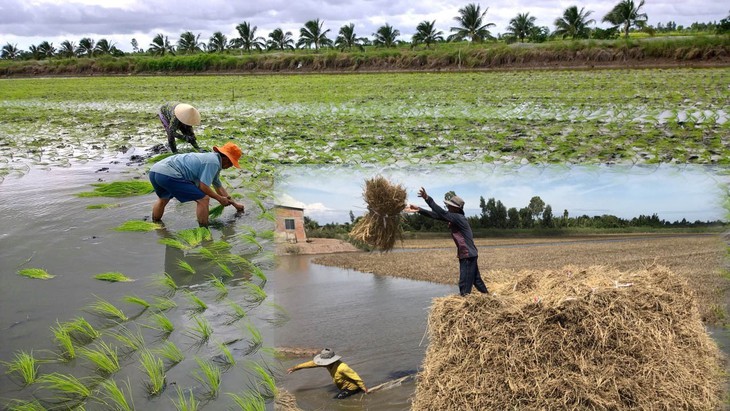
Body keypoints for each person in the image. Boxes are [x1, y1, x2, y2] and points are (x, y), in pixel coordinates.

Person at [405, 187, 489, 296]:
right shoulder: (455, 218)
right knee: (476, 280)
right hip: (470, 254)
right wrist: (419, 210)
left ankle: (464, 302)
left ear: (456, 208)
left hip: (467, 255)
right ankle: (489, 298)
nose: (448, 206)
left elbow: (441, 212)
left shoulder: (458, 217)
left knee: (464, 283)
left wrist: (427, 198)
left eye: (450, 205)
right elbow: (436, 215)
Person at [149, 141, 245, 227]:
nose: (230, 166)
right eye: (231, 163)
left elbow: (218, 187)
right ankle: (204, 229)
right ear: (226, 159)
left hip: (155, 171)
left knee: (163, 200)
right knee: (203, 199)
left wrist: (235, 205)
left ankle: (156, 225)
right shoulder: (213, 162)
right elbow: (203, 186)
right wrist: (219, 199)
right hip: (169, 174)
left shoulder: (211, 159)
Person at [287, 348, 369, 399]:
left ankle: (357, 391)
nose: (322, 363)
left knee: (336, 401)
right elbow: (311, 364)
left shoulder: (342, 367)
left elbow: (356, 377)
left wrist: (363, 388)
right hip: (342, 386)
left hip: (351, 387)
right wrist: (295, 368)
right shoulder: (327, 364)